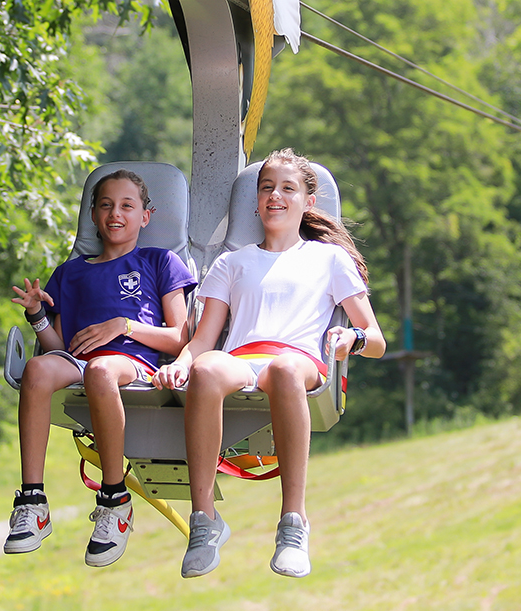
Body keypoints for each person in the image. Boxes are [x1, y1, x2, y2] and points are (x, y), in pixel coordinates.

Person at [153, 149, 385, 579]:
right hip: (244, 359)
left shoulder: (329, 260)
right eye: (266, 188)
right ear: (256, 201)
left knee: (281, 370)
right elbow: (204, 340)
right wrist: (182, 363)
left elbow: (375, 339)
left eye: (287, 188)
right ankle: (204, 521)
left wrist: (349, 339)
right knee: (207, 369)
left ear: (307, 202)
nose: (275, 195)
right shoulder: (231, 263)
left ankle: (293, 522)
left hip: (297, 361)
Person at [7, 169, 196, 566]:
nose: (116, 214)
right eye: (106, 205)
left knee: (102, 370)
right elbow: (59, 346)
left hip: (133, 362)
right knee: (39, 369)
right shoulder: (70, 273)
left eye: (128, 206)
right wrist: (38, 315)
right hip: (81, 363)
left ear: (146, 216)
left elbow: (181, 335)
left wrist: (123, 325)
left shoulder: (159, 261)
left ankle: (114, 498)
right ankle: (33, 501)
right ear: (92, 214)